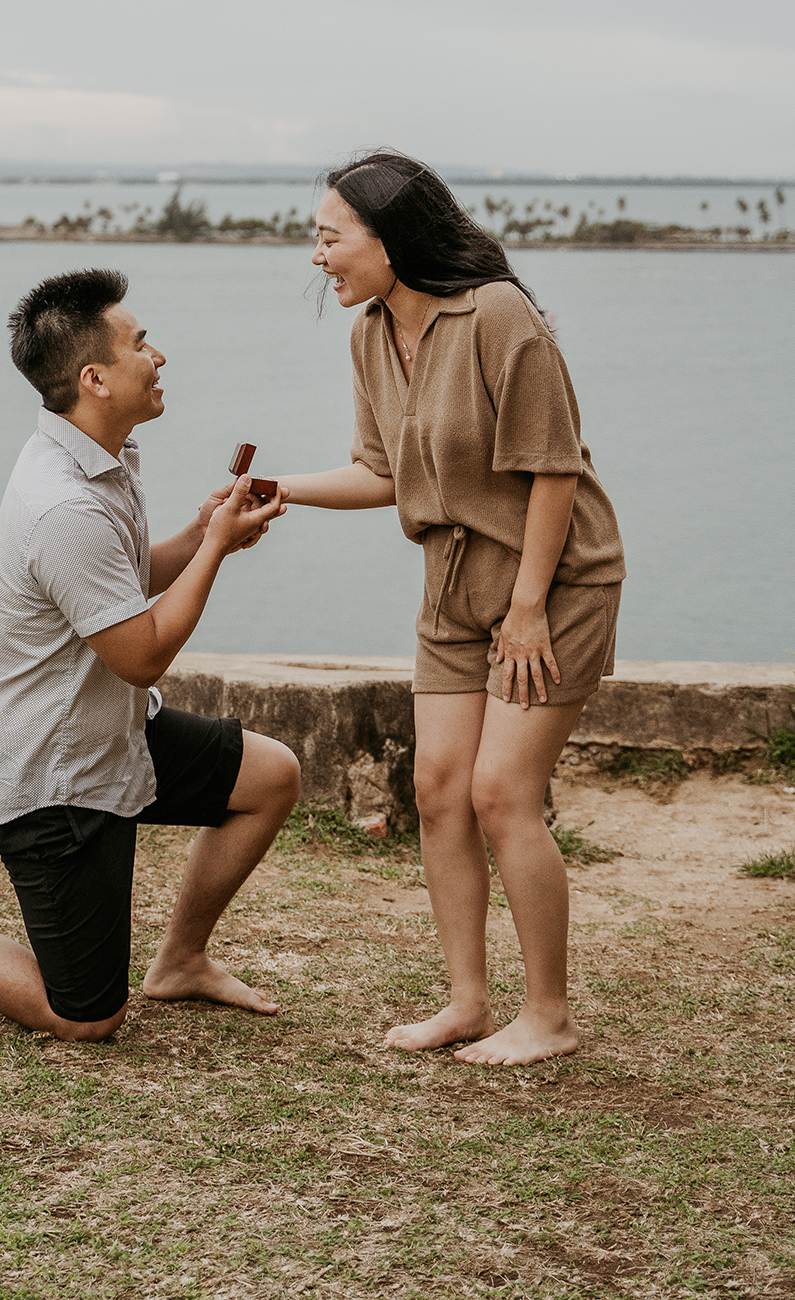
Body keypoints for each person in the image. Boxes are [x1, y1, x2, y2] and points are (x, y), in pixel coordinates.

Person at [0, 267, 300, 1040]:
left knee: (271, 778)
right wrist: (219, 551)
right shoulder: (63, 502)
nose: (159, 356)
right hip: (54, 778)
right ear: (94, 378)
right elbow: (141, 655)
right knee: (86, 1017)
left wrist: (201, 535)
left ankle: (182, 960)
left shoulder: (105, 459)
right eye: (141, 344)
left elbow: (118, 586)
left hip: (112, 735)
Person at [280, 153, 625, 1066]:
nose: (317, 255)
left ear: (390, 241)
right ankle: (468, 1003)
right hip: (451, 583)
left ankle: (547, 1016)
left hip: (556, 583)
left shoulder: (498, 315)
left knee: (502, 792)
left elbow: (554, 467)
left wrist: (527, 609)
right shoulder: (369, 336)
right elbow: (380, 474)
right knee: (438, 792)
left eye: (329, 236)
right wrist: (276, 490)